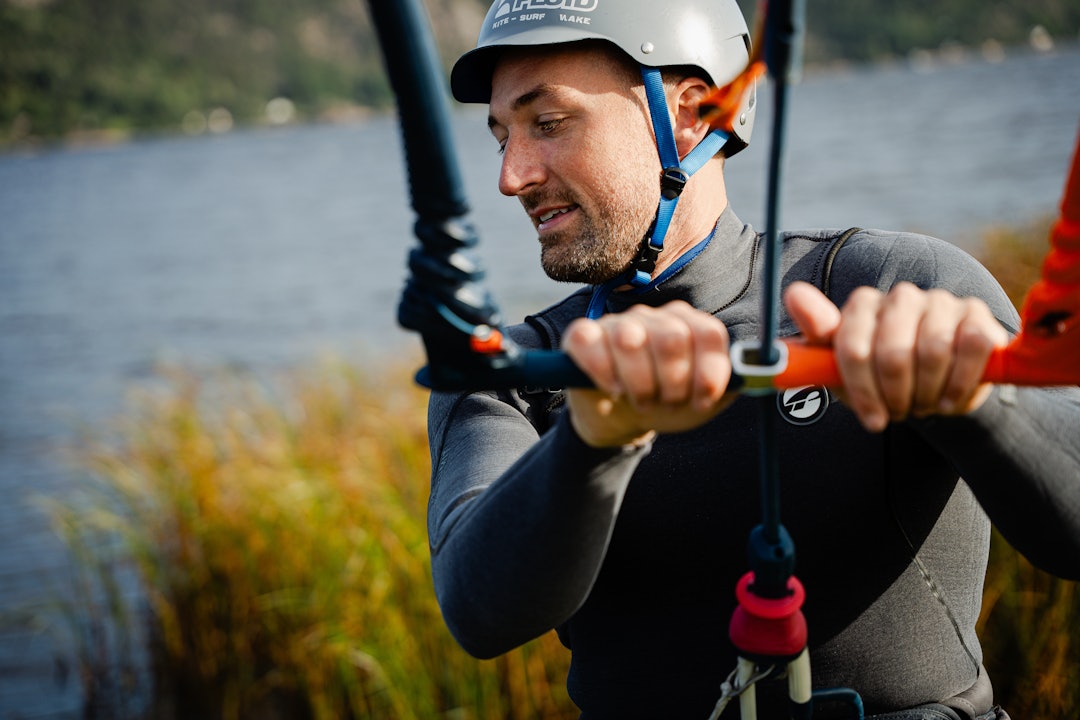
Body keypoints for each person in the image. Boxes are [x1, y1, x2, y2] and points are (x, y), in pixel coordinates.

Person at [424, 2, 1080, 718]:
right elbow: (478, 612)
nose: (512, 176)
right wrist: (592, 443)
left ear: (693, 113)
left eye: (548, 123)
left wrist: (974, 402)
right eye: (501, 137)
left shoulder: (899, 283)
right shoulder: (515, 374)